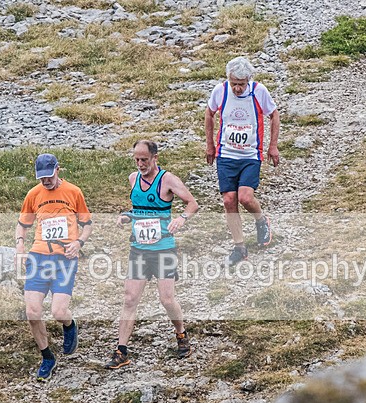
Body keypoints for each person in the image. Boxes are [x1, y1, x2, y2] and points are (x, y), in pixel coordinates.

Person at [105, 140, 199, 370]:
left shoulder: (167, 180)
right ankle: (121, 350)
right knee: (129, 299)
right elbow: (139, 210)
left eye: (144, 160)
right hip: (139, 249)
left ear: (155, 157)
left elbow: (192, 203)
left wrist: (181, 218)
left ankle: (181, 334)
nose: (140, 164)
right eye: (136, 159)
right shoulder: (133, 178)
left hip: (163, 249)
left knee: (166, 299)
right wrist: (127, 216)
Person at [15, 153, 93, 381]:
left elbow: (87, 224)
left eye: (49, 176)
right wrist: (20, 249)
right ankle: (47, 357)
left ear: (58, 169)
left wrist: (79, 242)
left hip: (65, 260)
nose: (46, 182)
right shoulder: (33, 194)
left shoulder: (74, 192)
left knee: (58, 312)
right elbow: (21, 226)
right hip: (39, 258)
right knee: (32, 313)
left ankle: (69, 325)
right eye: (41, 178)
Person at [205, 56, 280, 266]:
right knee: (229, 200)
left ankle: (261, 219)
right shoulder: (220, 91)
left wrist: (272, 146)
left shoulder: (259, 91)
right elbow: (209, 114)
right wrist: (210, 144)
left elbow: (274, 115)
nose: (237, 88)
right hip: (226, 155)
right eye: (234, 83)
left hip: (250, 155)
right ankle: (239, 247)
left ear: (249, 80)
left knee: (245, 198)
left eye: (241, 84)